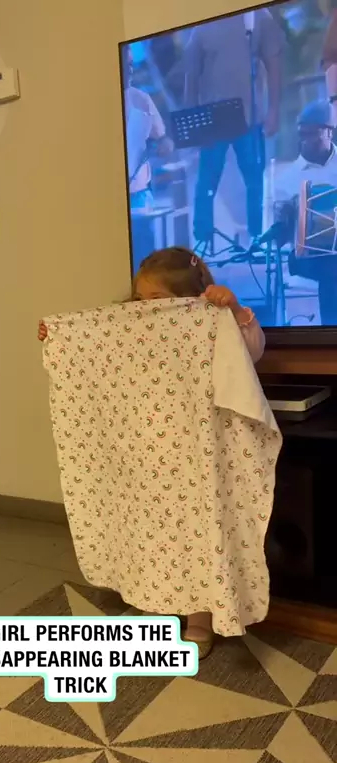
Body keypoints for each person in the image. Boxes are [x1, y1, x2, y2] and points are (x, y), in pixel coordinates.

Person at [38, 247, 266, 657]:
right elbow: (94, 353)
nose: (146, 309)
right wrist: (61, 340)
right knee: (149, 528)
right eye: (140, 300)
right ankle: (154, 594)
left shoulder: (209, 322)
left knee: (197, 529)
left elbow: (250, 353)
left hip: (194, 453)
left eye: (157, 301)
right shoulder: (128, 329)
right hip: (142, 454)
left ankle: (200, 615)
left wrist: (233, 312)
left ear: (188, 298)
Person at [185, 9, 284, 242]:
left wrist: (274, 110)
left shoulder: (258, 16)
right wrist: (192, 123)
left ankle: (258, 238)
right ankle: (202, 240)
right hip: (213, 120)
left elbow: (274, 65)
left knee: (255, 182)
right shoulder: (201, 23)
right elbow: (191, 76)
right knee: (206, 182)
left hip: (250, 117)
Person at [273, 100, 337, 325]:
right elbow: (279, 238)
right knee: (332, 269)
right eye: (301, 135)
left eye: (312, 134)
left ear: (329, 132)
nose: (305, 141)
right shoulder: (288, 178)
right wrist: (285, 219)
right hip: (308, 256)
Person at [123, 46, 174, 210]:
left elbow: (163, 140)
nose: (130, 70)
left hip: (138, 194)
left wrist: (163, 144)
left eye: (131, 64)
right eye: (124, 65)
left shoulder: (141, 99)